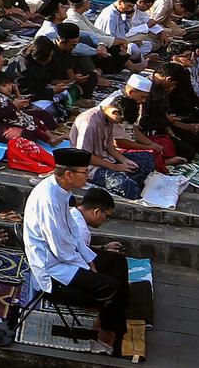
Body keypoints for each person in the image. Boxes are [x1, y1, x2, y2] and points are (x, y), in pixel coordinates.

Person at [23, 147, 129, 354]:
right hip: (53, 269)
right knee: (112, 287)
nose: (88, 175)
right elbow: (59, 247)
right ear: (69, 175)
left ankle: (110, 319)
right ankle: (106, 334)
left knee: (117, 262)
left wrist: (90, 258)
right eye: (85, 172)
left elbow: (72, 229)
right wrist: (86, 268)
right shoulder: (48, 199)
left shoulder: (61, 191)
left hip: (65, 257)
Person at [69, 94, 156, 200]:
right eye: (121, 119)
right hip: (89, 167)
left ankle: (129, 176)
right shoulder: (89, 123)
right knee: (128, 186)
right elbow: (84, 156)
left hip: (106, 159)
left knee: (147, 157)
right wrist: (114, 167)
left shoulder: (108, 118)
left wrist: (124, 160)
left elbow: (109, 146)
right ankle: (129, 179)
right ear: (115, 112)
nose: (120, 122)